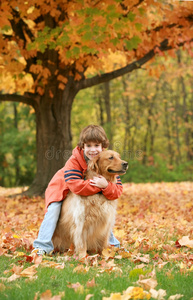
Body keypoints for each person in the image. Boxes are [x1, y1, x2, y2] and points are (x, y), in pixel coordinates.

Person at [32, 125, 123, 255]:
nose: (93, 150)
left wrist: (106, 186)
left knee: (101, 212)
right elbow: (76, 186)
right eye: (88, 146)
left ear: (103, 147)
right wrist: (99, 186)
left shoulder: (106, 161)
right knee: (53, 210)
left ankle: (113, 244)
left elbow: (118, 190)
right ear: (82, 146)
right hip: (61, 189)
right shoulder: (74, 161)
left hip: (83, 191)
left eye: (96, 145)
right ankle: (42, 245)